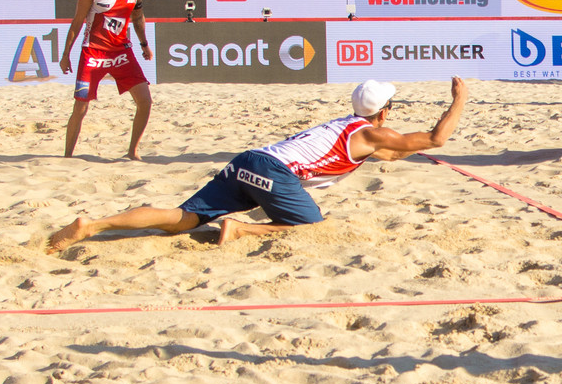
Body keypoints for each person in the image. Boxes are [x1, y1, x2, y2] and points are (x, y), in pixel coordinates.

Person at [48, 78, 468, 253]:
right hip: (274, 173)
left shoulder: (349, 129)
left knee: (182, 219)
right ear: (384, 111)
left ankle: (93, 224)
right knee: (313, 226)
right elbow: (434, 140)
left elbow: (395, 153)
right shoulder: (372, 133)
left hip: (250, 159)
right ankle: (240, 229)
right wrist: (460, 100)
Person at [59, 0, 152, 161]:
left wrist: (144, 45)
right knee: (80, 108)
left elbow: (138, 17)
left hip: (121, 51)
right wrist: (66, 54)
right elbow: (77, 22)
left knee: (145, 101)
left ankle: (132, 152)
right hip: (93, 52)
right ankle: (67, 157)